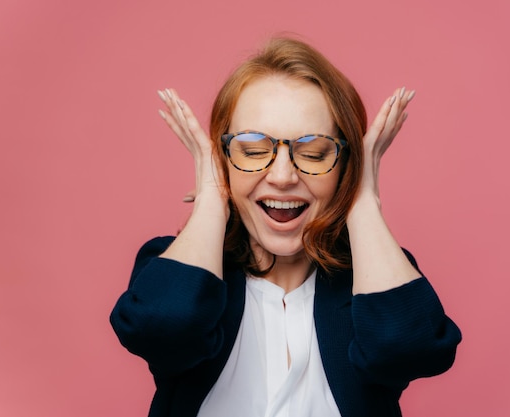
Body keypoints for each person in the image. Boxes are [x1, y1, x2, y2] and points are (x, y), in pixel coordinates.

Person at [110, 37, 461, 417]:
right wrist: (214, 197)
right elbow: (163, 327)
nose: (281, 176)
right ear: (223, 157)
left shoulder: (375, 282)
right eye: (252, 150)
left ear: (345, 165)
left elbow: (413, 349)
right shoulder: (172, 268)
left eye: (313, 153)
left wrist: (362, 201)